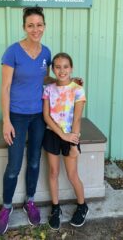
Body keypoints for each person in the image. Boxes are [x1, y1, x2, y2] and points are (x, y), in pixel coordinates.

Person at [0, 6, 52, 235]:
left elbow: (43, 77)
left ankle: (30, 201)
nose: (35, 29)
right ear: (24, 27)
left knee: (35, 161)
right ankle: (6, 207)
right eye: (31, 25)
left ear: (44, 26)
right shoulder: (12, 52)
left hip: (38, 116)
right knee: (14, 166)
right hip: (17, 116)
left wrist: (63, 80)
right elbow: (5, 87)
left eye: (39, 25)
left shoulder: (46, 52)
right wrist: (6, 121)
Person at [42, 52, 89, 231]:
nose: (62, 70)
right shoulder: (48, 89)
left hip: (71, 136)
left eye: (65, 67)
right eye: (58, 67)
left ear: (71, 68)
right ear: (53, 69)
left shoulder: (77, 89)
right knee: (53, 172)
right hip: (53, 134)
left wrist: (73, 143)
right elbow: (46, 116)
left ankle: (82, 205)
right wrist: (62, 135)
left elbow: (76, 120)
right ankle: (55, 209)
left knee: (72, 174)